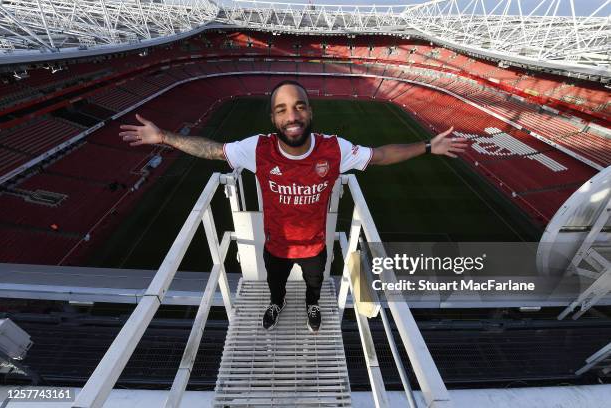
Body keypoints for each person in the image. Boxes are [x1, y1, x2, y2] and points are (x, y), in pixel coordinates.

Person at [119, 80, 466, 333]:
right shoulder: (257, 149)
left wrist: (427, 146)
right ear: (273, 118)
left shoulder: (334, 149)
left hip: (316, 245)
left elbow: (379, 156)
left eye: (299, 105)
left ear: (310, 111)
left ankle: (313, 306)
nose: (292, 115)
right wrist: (164, 137)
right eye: (282, 109)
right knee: (277, 284)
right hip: (276, 245)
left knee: (315, 285)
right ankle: (276, 304)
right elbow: (211, 150)